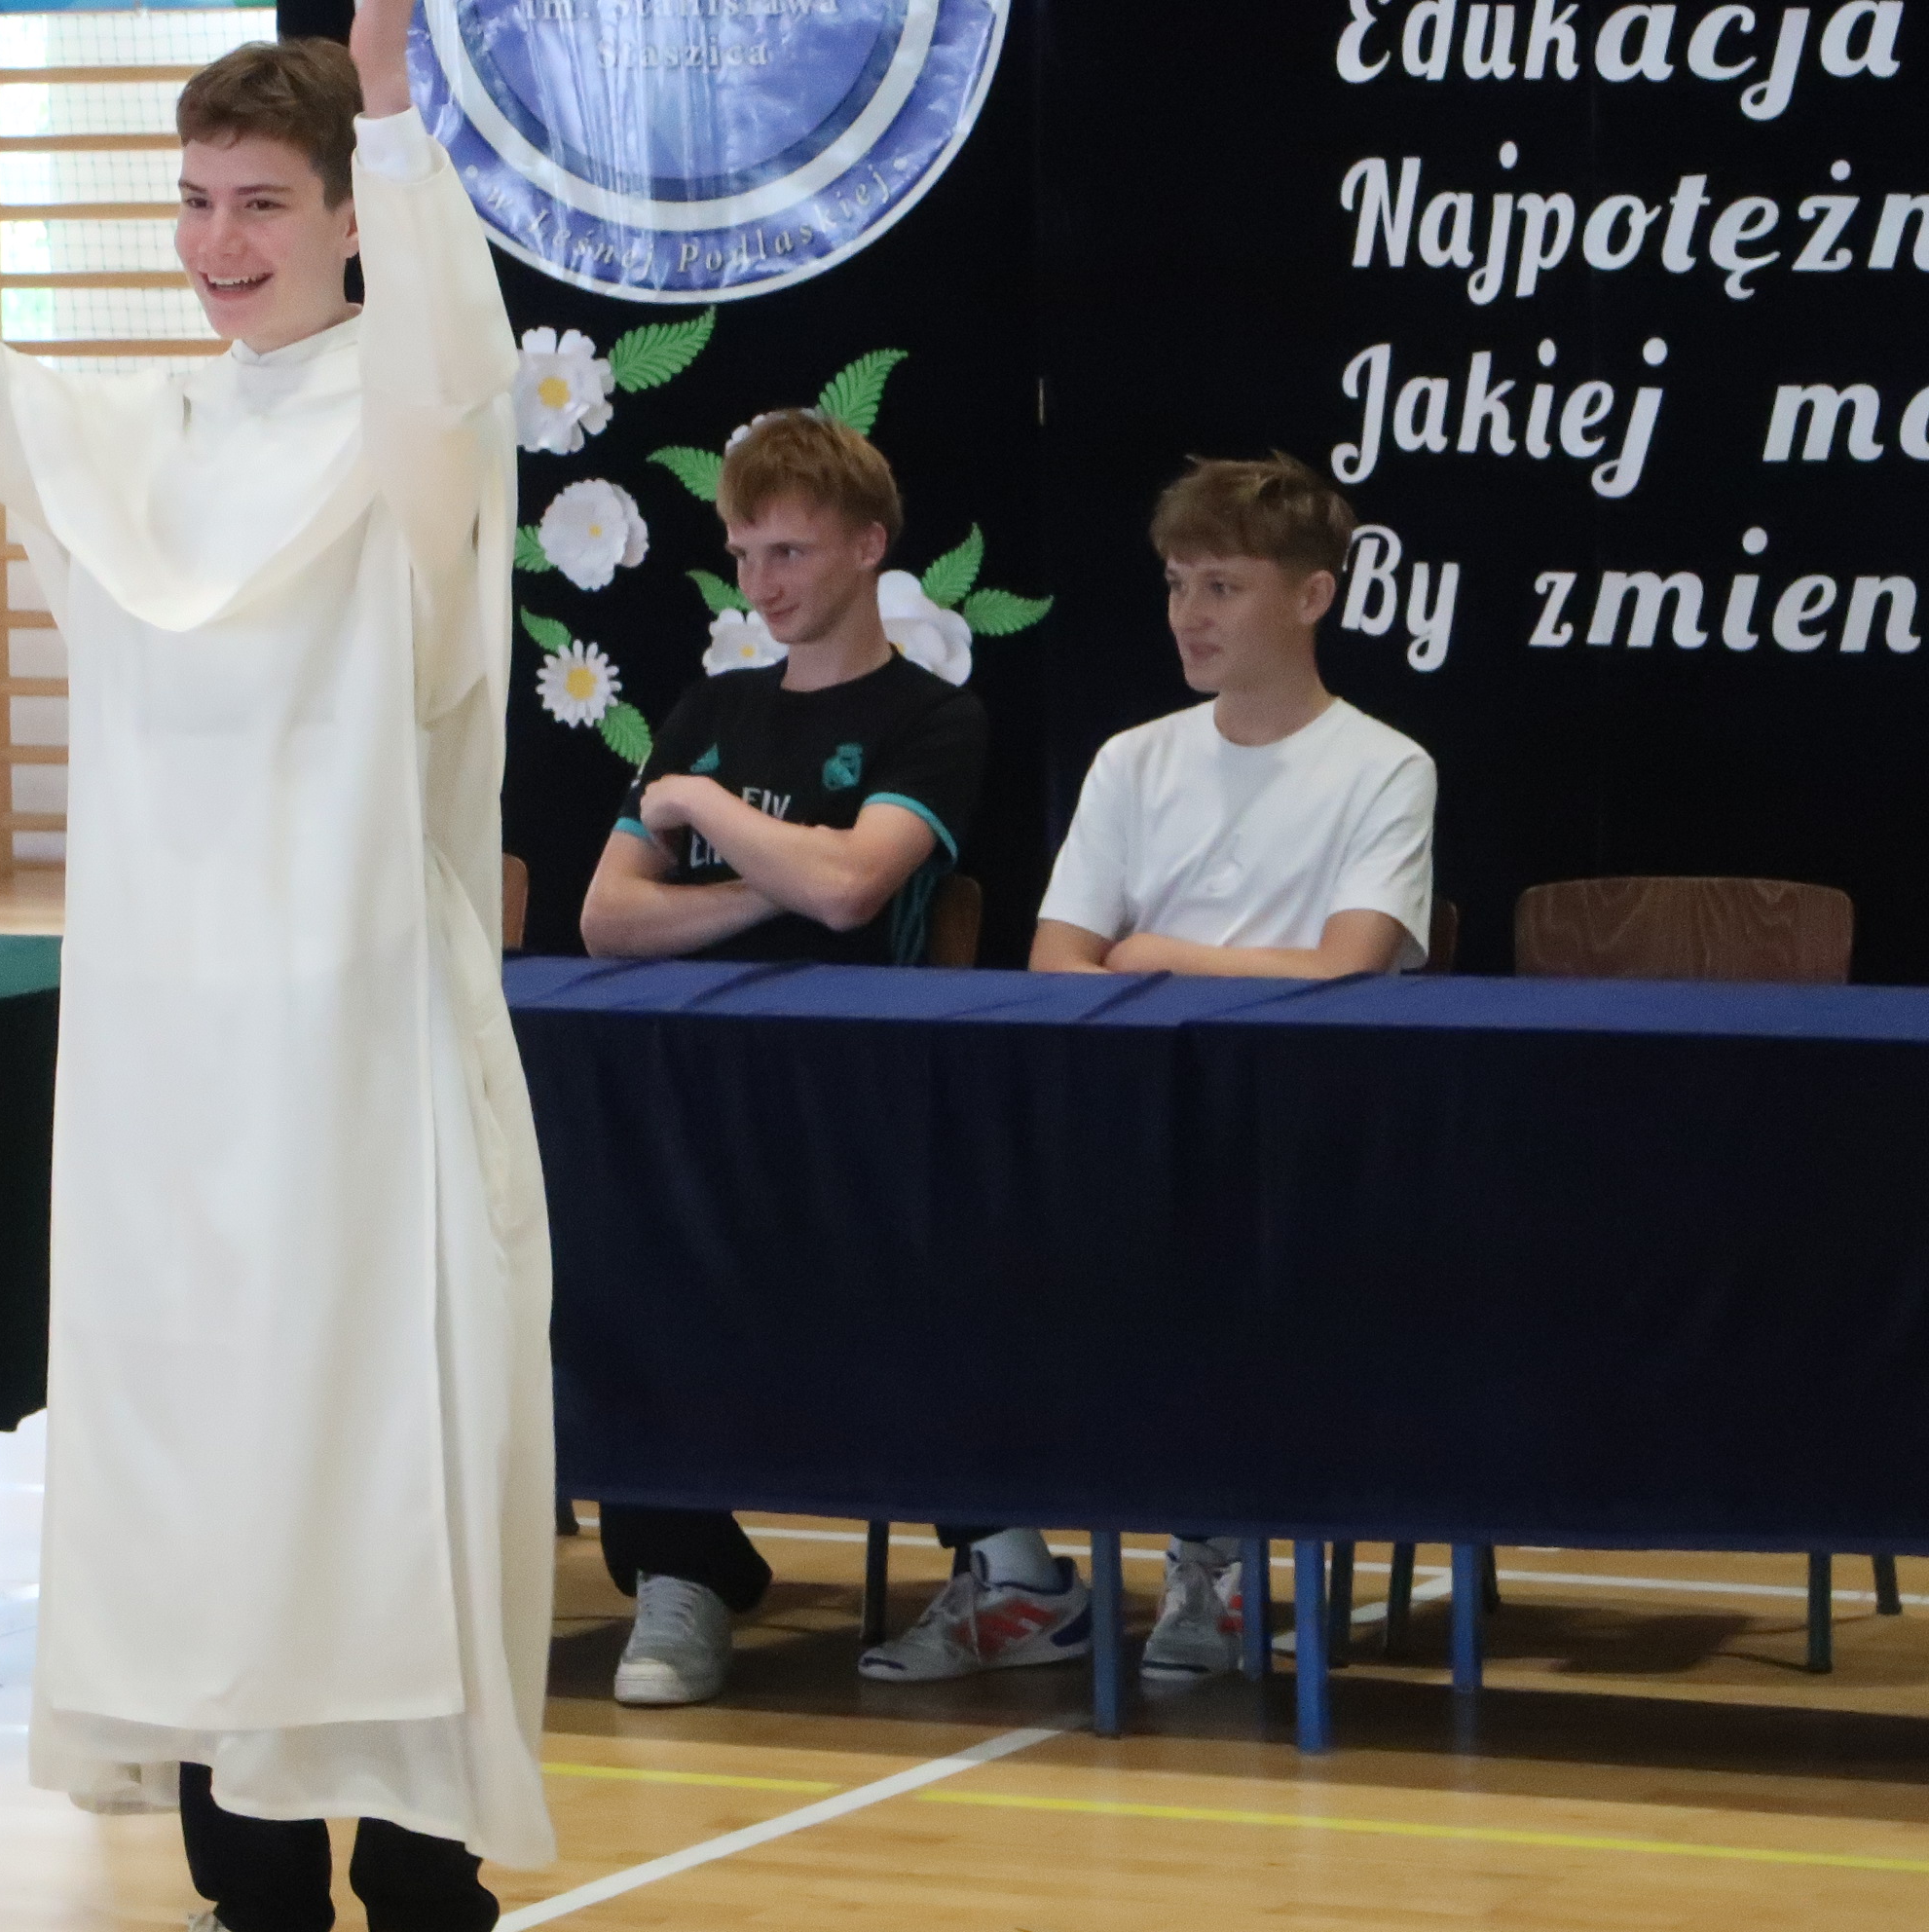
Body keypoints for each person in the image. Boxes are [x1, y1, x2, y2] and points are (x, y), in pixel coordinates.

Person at [0, 0, 552, 1925]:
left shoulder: (419, 435)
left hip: (363, 1054)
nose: (219, 244)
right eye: (196, 200)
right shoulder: (130, 437)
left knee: (381, 1447)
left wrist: (391, 88)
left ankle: (423, 1870)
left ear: (350, 219)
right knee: (201, 1466)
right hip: (163, 1069)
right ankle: (249, 1876)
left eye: (264, 203)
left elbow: (446, 357)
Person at [577, 409, 1022, 1705]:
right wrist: (781, 878)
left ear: (869, 547)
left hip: (856, 1096)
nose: (762, 584)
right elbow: (609, 918)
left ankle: (1006, 1557)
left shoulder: (933, 718)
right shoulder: (711, 706)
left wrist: (706, 813)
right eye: (744, 554)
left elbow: (855, 891)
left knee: (900, 1273)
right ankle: (683, 1572)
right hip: (689, 1088)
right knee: (616, 1245)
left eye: (790, 552)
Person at [1025, 454, 1437, 1683]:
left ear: (1312, 597)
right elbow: (1057, 960)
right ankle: (1012, 1562)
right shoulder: (1132, 759)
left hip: (1304, 1131)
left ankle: (1219, 1551)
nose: (1189, 615)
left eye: (1222, 586)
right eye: (1176, 584)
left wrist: (1161, 953)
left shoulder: (1385, 765)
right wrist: (1177, 973)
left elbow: (1348, 966)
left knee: (1234, 1263)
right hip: (1136, 1116)